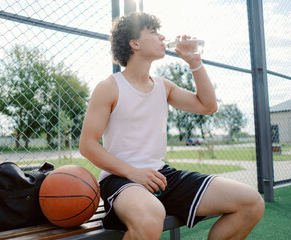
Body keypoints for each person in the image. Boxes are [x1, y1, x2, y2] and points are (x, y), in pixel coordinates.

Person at [79, 12, 264, 240]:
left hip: (161, 175)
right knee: (150, 218)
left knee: (251, 202)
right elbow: (87, 145)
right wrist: (133, 172)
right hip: (121, 178)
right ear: (134, 44)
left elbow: (208, 106)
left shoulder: (163, 86)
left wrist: (195, 61)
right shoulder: (108, 87)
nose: (162, 36)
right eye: (153, 32)